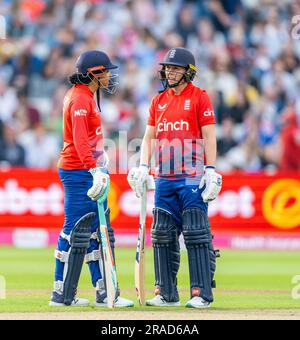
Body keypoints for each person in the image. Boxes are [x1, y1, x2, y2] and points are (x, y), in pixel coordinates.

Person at [128, 48, 222, 309]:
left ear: (188, 72)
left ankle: (201, 293)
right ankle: (166, 293)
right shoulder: (158, 101)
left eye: (175, 68)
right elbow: (149, 138)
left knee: (195, 233)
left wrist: (211, 168)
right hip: (165, 177)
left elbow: (209, 136)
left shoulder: (200, 98)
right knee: (161, 234)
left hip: (192, 176)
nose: (169, 72)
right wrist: (143, 166)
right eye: (167, 68)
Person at [49, 50, 133, 307]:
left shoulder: (85, 95)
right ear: (93, 74)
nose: (109, 75)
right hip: (78, 171)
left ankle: (103, 291)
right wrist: (93, 168)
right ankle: (61, 293)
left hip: (85, 168)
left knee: (96, 231)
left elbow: (90, 137)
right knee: (73, 229)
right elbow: (79, 139)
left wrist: (100, 159)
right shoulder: (79, 99)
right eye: (106, 71)